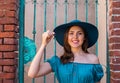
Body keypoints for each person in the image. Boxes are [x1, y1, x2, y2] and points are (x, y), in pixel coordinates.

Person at [28, 20, 104, 83]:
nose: (75, 37)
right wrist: (43, 44)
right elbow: (32, 73)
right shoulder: (57, 61)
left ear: (84, 38)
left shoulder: (93, 59)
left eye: (79, 33)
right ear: (67, 37)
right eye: (71, 33)